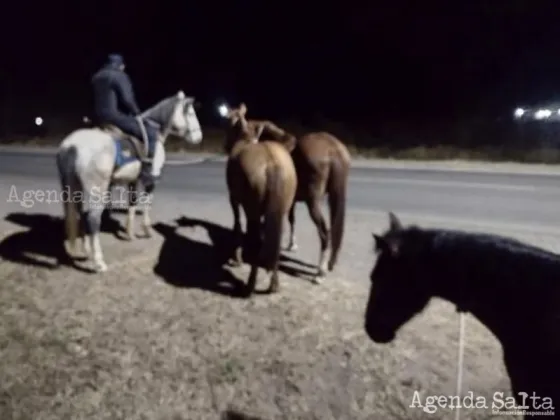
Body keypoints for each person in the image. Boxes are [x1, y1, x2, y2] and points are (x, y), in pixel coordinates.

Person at [91, 53, 157, 190]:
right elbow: (127, 98)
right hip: (113, 116)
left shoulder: (96, 77)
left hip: (97, 118)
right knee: (150, 133)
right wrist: (136, 112)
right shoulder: (119, 75)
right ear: (121, 65)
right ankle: (146, 173)